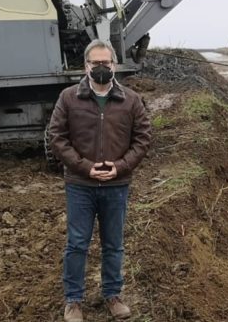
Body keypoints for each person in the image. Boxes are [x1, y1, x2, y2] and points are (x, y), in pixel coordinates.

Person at [48, 39, 152, 322]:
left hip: (116, 186)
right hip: (80, 185)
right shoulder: (69, 97)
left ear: (114, 64)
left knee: (114, 244)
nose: (101, 67)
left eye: (106, 63)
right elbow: (57, 137)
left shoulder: (130, 100)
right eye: (96, 63)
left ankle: (113, 295)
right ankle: (73, 301)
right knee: (77, 243)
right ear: (86, 66)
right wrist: (84, 168)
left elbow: (143, 139)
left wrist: (120, 167)